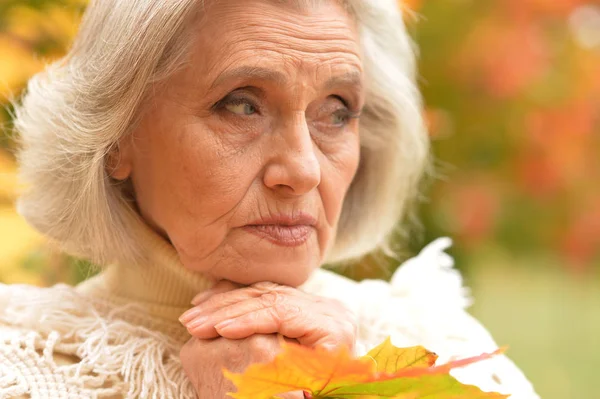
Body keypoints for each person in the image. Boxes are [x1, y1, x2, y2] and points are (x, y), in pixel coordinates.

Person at [0, 0, 540, 398]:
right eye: (241, 106)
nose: (303, 170)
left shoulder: (437, 343)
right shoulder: (27, 366)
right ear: (116, 138)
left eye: (336, 111)